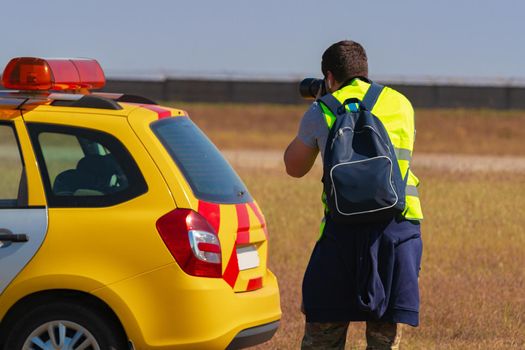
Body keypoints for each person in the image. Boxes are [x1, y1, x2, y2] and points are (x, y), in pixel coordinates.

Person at [284, 40, 424, 349]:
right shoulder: (401, 103)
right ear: (364, 70)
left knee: (323, 333)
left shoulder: (321, 109)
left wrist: (321, 105)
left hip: (341, 233)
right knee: (384, 339)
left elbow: (294, 167)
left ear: (330, 77)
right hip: (397, 232)